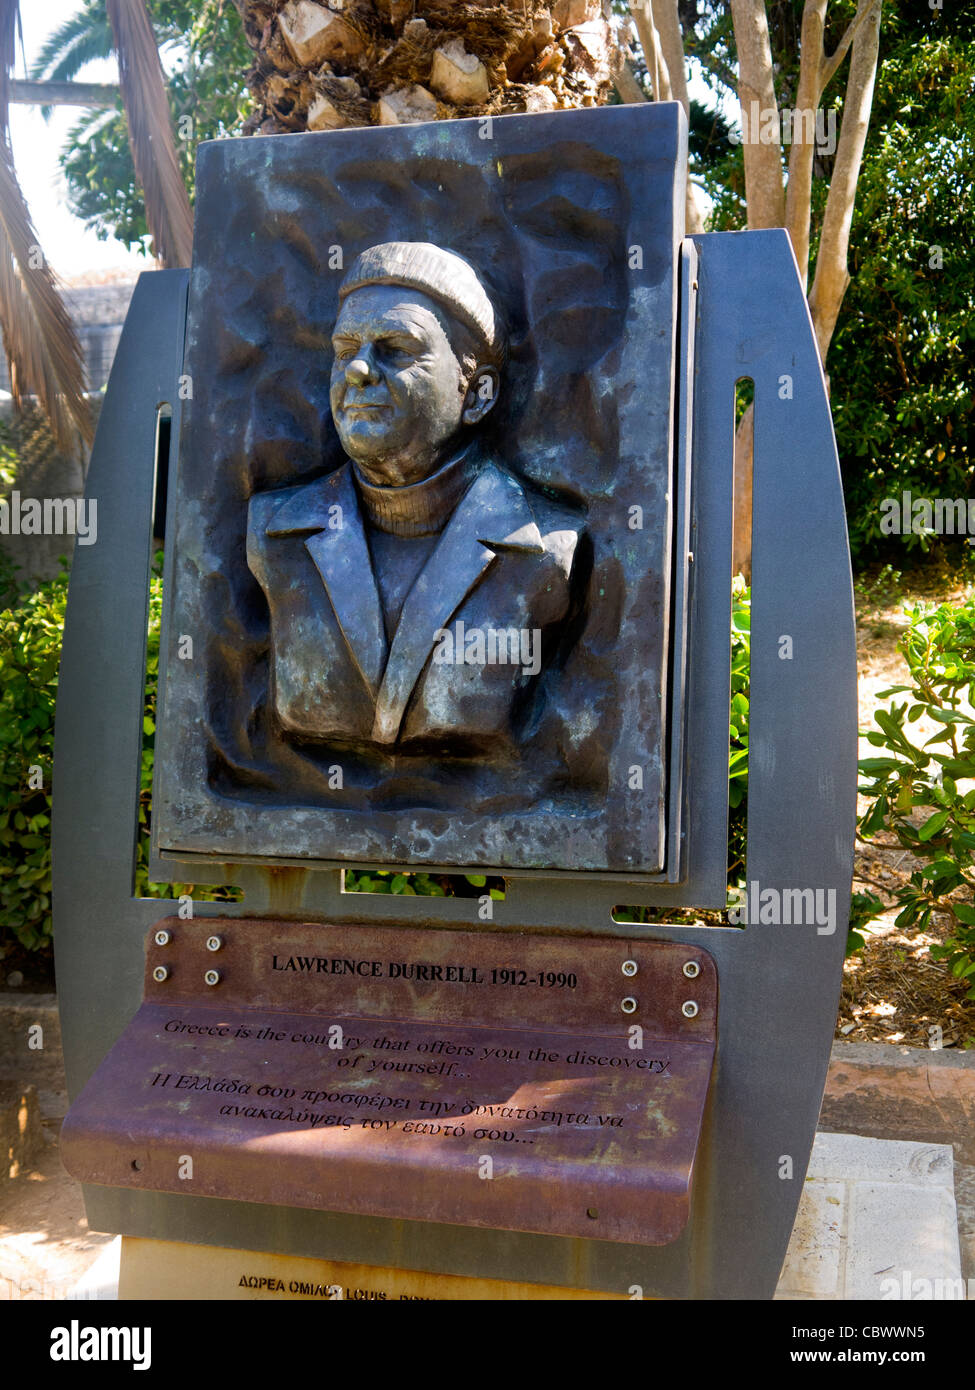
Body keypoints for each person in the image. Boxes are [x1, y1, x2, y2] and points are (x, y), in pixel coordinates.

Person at [247, 241, 586, 752]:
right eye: (345, 351)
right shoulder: (272, 534)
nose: (358, 371)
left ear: (476, 395)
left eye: (397, 348)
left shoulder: (548, 550)